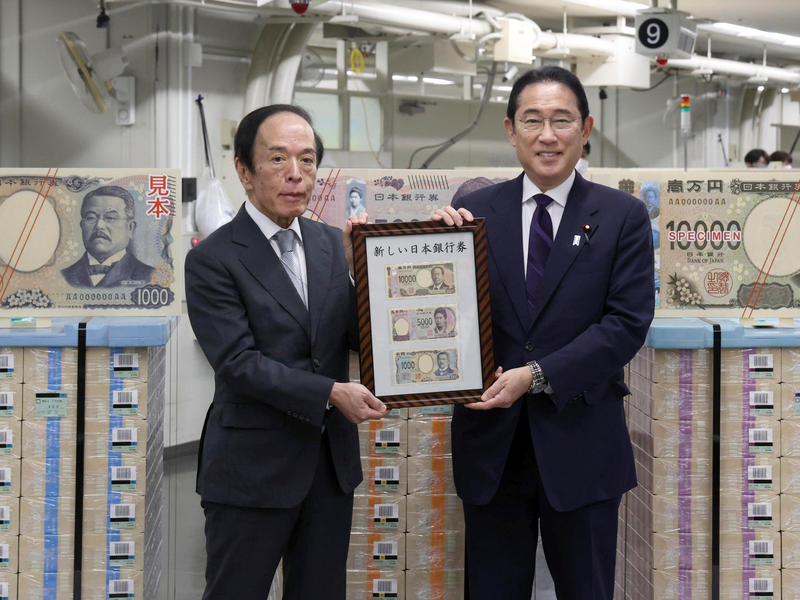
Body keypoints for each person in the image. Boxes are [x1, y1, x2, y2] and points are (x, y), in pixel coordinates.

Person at [432, 66, 654, 599]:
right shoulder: (472, 215)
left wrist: (534, 375)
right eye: (532, 121)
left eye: (562, 120)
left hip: (582, 443)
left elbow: (625, 325)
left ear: (586, 128)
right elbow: (442, 316)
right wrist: (434, 254)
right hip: (493, 448)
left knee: (587, 588)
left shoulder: (622, 216)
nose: (547, 135)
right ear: (511, 131)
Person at [185, 104, 389, 600]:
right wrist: (330, 392)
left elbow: (356, 338)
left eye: (307, 159)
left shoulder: (330, 243)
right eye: (278, 159)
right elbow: (238, 363)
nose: (296, 174)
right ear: (244, 171)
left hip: (328, 467)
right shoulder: (213, 258)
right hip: (250, 468)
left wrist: (364, 272)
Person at [61, 186, 154, 288]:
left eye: (110, 218)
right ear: (81, 225)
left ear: (130, 228)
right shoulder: (62, 276)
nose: (99, 225)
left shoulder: (151, 277)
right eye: (91, 218)